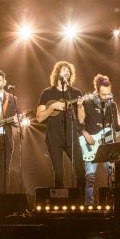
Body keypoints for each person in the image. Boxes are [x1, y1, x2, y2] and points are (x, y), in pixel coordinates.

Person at [80, 74, 120, 206]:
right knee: (90, 177)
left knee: (113, 176)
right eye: (104, 95)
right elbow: (80, 123)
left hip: (108, 146)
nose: (107, 97)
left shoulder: (112, 105)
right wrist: (85, 135)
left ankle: (114, 204)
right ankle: (88, 206)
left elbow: (116, 126)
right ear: (97, 90)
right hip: (91, 145)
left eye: (109, 94)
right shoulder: (88, 103)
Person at [36, 61, 86, 191]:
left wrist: (80, 106)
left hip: (72, 137)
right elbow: (39, 117)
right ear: (57, 73)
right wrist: (52, 106)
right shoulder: (47, 93)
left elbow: (81, 119)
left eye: (68, 70)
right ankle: (60, 204)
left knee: (81, 172)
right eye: (64, 69)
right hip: (54, 138)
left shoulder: (75, 93)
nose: (66, 72)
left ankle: (81, 203)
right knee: (59, 174)